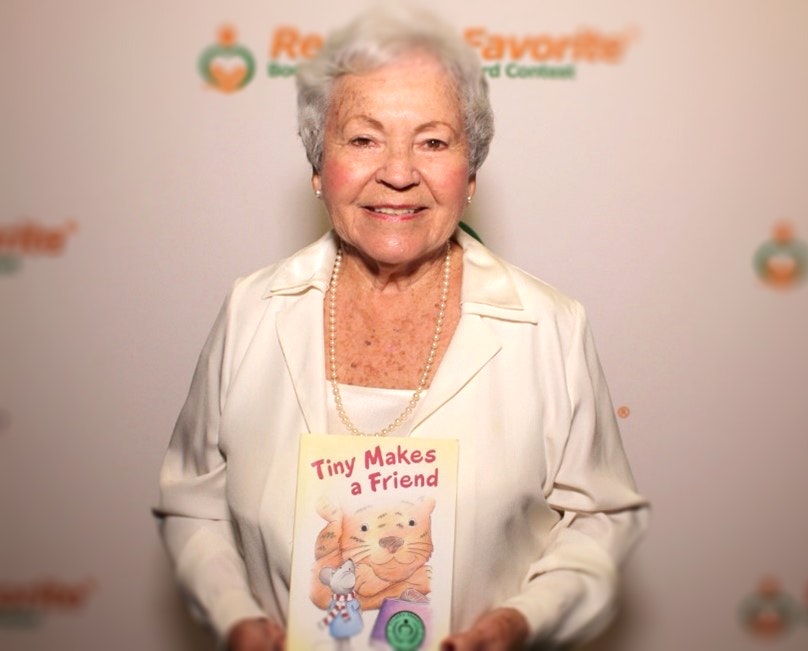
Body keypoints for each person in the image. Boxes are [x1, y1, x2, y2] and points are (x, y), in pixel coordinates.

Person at [155, 5, 648, 650]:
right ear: (316, 166)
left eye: (433, 141)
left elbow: (600, 520)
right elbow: (194, 504)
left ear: (470, 174)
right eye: (363, 139)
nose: (397, 171)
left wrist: (523, 621)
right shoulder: (253, 308)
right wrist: (235, 618)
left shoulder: (548, 327)